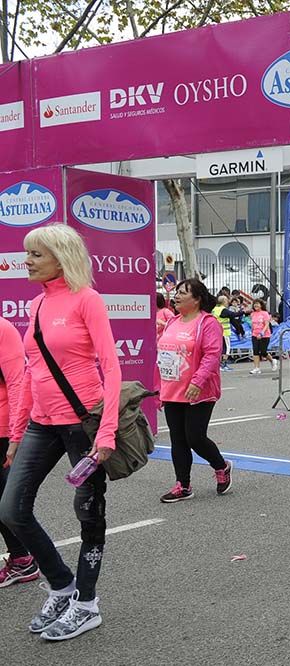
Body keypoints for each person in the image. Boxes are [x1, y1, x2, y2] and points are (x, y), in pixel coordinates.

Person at [0, 224, 121, 641]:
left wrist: (106, 434)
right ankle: (61, 585)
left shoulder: (88, 300)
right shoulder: (35, 305)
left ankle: (86, 604)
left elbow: (112, 366)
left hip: (81, 424)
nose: (26, 261)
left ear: (60, 257)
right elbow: (31, 375)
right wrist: (16, 434)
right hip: (40, 423)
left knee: (89, 515)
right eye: (26, 253)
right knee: (12, 509)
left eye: (35, 254)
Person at [157, 279, 233, 504]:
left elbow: (212, 355)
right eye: (177, 292)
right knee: (177, 439)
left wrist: (197, 382)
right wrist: (159, 387)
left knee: (195, 437)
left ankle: (221, 466)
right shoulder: (172, 321)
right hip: (172, 389)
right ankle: (183, 485)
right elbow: (164, 356)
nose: (177, 296)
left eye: (183, 293)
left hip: (198, 391)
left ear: (197, 299)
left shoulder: (208, 323)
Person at [0, 316, 39, 589]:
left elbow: (17, 383)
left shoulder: (3, 330)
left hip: (1, 428)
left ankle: (23, 559)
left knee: (4, 503)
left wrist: (16, 435)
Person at [249, 299, 277, 375]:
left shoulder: (265, 313)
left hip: (264, 335)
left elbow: (267, 324)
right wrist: (252, 332)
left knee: (263, 352)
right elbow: (252, 324)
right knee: (255, 351)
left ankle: (272, 361)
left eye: (257, 304)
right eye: (254, 304)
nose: (256, 305)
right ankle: (256, 368)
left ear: (261, 305)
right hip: (254, 334)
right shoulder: (252, 314)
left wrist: (262, 333)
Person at [212, 296, 235, 372]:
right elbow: (233, 315)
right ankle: (223, 364)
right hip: (224, 332)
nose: (228, 301)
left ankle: (219, 365)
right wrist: (244, 312)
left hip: (216, 332)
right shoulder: (223, 310)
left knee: (220, 349)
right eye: (227, 300)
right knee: (226, 349)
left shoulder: (215, 309)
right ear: (224, 301)